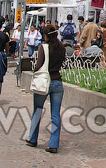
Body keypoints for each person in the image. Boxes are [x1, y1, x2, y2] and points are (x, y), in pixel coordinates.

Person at [26, 24, 65, 154]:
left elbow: (38, 65)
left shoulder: (44, 47)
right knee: (55, 114)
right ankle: (53, 143)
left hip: (44, 81)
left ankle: (32, 138)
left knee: (37, 110)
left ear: (46, 36)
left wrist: (35, 71)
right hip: (57, 81)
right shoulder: (62, 48)